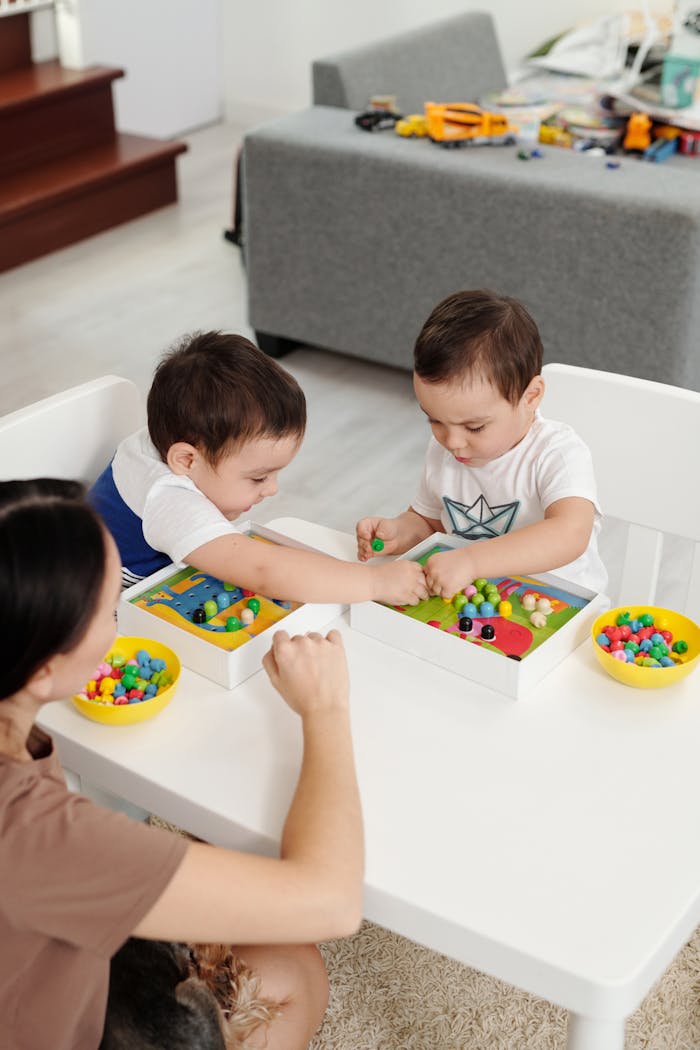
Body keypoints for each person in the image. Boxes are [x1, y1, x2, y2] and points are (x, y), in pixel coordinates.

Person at [0, 478, 364, 1050]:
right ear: (45, 668)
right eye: (111, 610)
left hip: (46, 957)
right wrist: (325, 709)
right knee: (297, 972)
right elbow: (333, 902)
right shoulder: (33, 834)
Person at [89, 331, 427, 606]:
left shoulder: (167, 435)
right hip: (98, 620)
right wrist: (373, 582)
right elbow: (263, 570)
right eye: (258, 477)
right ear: (186, 460)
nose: (272, 489)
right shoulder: (168, 500)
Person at [356, 289, 608, 597]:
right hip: (476, 603)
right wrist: (398, 531)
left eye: (474, 427)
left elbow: (570, 534)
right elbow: (429, 521)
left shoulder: (557, 454)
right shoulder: (446, 449)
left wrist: (472, 560)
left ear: (530, 397)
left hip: (562, 608)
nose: (453, 441)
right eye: (434, 420)